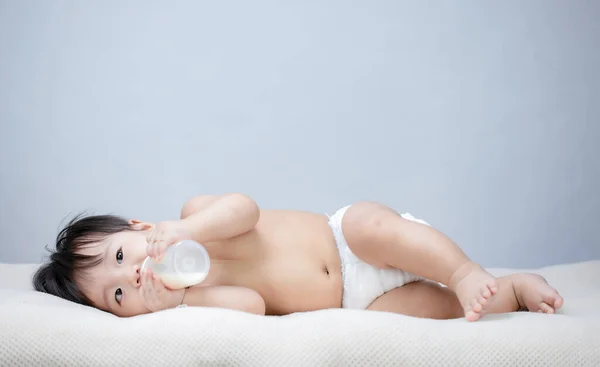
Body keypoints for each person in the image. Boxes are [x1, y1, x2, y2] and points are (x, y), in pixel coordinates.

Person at [33, 193, 563, 320]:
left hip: (348, 241)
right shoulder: (193, 299)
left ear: (139, 227)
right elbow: (253, 306)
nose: (134, 273)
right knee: (436, 312)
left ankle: (463, 269)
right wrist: (181, 298)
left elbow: (246, 210)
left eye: (122, 254)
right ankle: (510, 290)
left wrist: (186, 229)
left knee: (370, 224)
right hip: (357, 301)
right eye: (118, 294)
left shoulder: (195, 216)